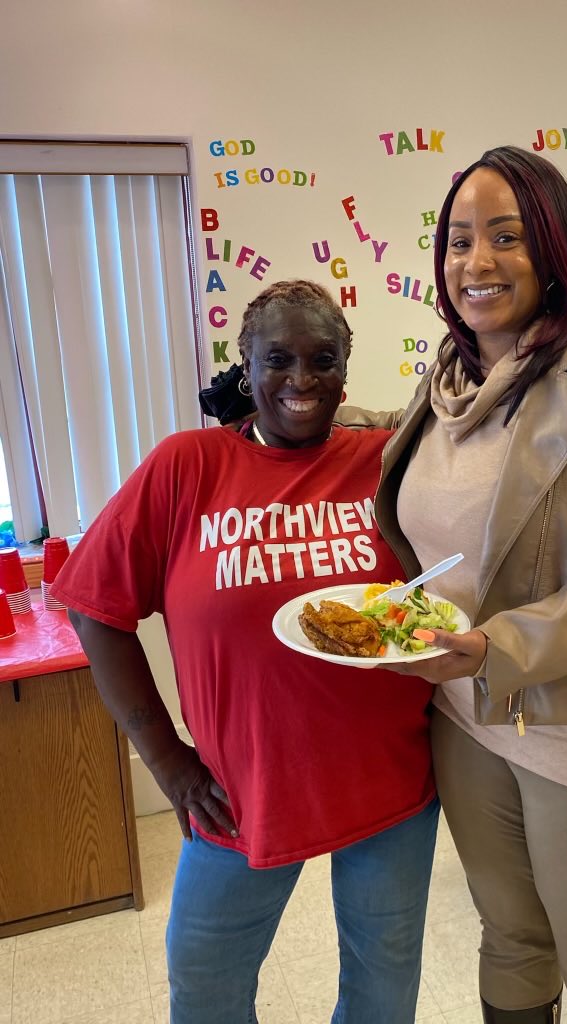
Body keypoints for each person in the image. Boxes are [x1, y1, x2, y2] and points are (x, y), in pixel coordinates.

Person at [344, 146, 567, 1023]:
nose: (477, 262)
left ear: (554, 250)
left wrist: (490, 649)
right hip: (469, 724)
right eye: (459, 239)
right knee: (511, 942)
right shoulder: (446, 388)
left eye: (506, 237)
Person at [50, 280, 438, 1024]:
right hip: (240, 791)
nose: (301, 381)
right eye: (279, 359)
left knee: (383, 983)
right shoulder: (186, 467)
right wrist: (167, 759)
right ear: (246, 364)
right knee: (205, 985)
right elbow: (94, 610)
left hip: (390, 779)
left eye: (323, 360)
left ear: (347, 369)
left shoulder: (385, 461)